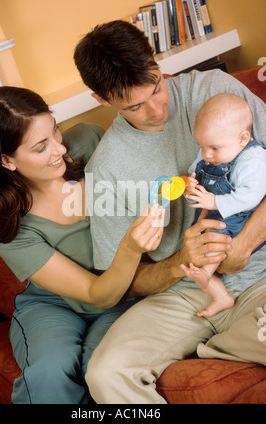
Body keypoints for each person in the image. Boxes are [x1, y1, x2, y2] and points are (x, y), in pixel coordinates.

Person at [73, 20, 266, 403]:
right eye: (135, 105)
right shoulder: (105, 169)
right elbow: (127, 281)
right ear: (101, 99)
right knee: (105, 373)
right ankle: (230, 337)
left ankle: (223, 342)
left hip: (258, 268)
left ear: (158, 65)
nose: (157, 108)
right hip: (182, 294)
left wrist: (243, 244)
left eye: (157, 87)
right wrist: (182, 259)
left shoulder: (215, 90)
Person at [0, 86, 165, 404]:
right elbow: (95, 293)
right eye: (41, 147)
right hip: (54, 304)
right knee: (48, 373)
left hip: (125, 293)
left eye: (54, 130)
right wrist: (130, 248)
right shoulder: (5, 223)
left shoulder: (90, 140)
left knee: (100, 369)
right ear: (6, 160)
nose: (59, 149)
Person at [181, 93, 266, 318]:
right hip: (212, 215)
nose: (206, 155)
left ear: (242, 138)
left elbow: (251, 196)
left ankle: (206, 275)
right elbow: (197, 187)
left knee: (210, 251)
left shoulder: (253, 159)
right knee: (201, 247)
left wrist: (215, 201)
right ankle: (220, 296)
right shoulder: (209, 154)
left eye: (214, 149)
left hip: (238, 217)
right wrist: (190, 191)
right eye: (201, 146)